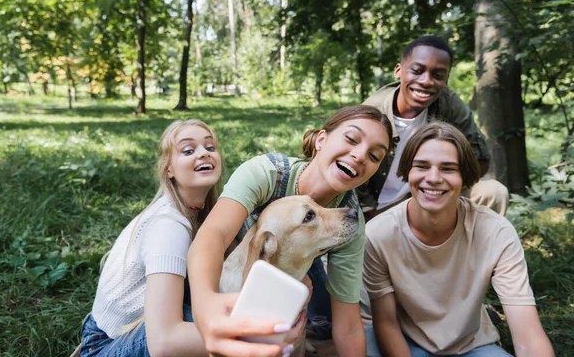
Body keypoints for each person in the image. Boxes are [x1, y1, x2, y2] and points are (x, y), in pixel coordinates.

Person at [187, 105, 393, 357]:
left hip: (296, 264)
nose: (360, 155)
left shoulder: (351, 219)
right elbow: (213, 236)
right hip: (231, 261)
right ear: (321, 139)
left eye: (374, 156)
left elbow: (348, 326)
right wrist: (205, 305)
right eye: (351, 139)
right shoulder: (267, 172)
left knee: (324, 322)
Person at [362, 122, 555, 357]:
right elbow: (386, 323)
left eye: (448, 169)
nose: (433, 178)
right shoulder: (377, 234)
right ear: (407, 173)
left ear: (465, 178)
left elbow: (528, 336)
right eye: (421, 166)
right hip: (404, 341)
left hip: (471, 346)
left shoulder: (496, 232)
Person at [77, 119, 223, 357]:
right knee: (211, 323)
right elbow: (164, 343)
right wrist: (252, 337)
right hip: (105, 345)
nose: (203, 154)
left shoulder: (201, 213)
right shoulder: (169, 227)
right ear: (169, 169)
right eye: (188, 150)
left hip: (131, 332)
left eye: (210, 147)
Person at [360, 35, 508, 220]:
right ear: (399, 71)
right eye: (417, 70)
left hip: (422, 196)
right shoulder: (372, 113)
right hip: (372, 208)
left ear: (446, 80)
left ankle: (468, 247)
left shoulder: (448, 104)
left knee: (492, 192)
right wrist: (373, 218)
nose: (426, 81)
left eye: (438, 75)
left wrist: (437, 190)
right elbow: (350, 172)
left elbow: (480, 159)